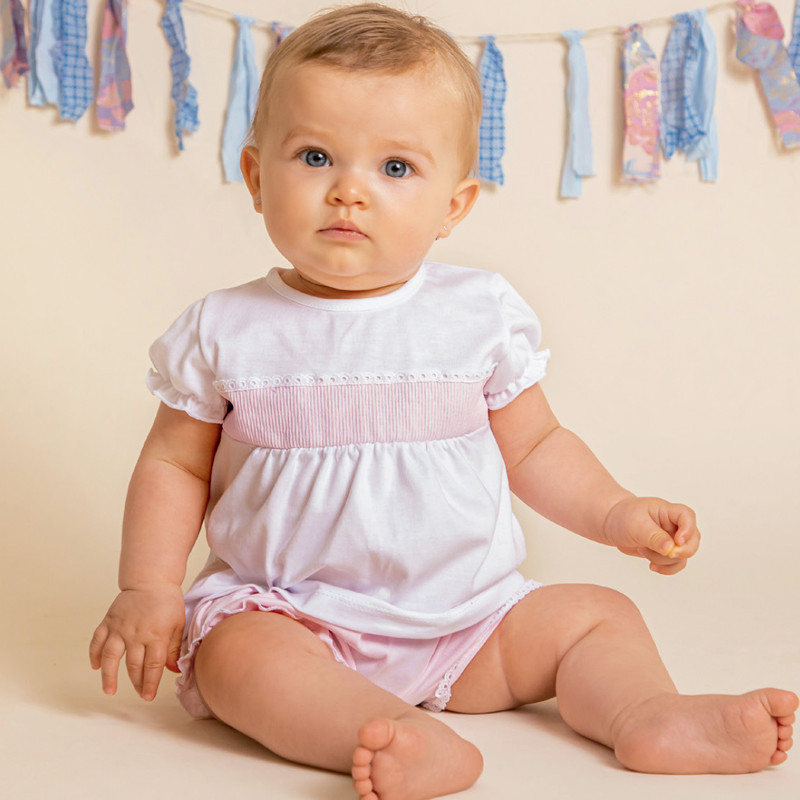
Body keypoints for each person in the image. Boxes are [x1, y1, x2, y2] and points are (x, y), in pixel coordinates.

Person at [90, 5, 797, 799]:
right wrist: (148, 589)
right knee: (232, 658)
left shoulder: (479, 314)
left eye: (395, 169)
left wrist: (616, 512)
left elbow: (533, 447)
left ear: (453, 206)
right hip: (293, 615)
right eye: (316, 156)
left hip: (470, 621)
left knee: (598, 614)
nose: (349, 192)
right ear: (256, 178)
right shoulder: (226, 329)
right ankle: (389, 736)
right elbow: (175, 464)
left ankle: (649, 715)